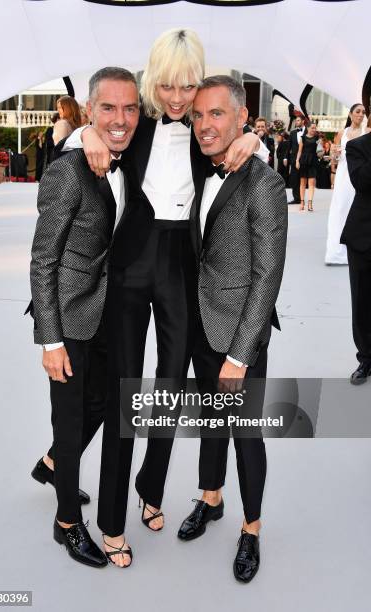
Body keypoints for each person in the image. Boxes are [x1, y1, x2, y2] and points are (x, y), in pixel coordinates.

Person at [62, 28, 269, 568]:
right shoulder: (137, 122)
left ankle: (151, 489)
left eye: (188, 87)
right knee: (129, 395)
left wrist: (258, 141)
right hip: (130, 264)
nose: (179, 99)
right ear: (155, 81)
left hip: (182, 267)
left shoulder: (206, 129)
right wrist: (84, 134)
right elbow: (92, 130)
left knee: (170, 390)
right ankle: (111, 521)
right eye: (170, 86)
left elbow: (241, 139)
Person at [177, 75, 287, 583]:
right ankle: (211, 498)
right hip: (200, 323)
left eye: (216, 114)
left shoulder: (265, 185)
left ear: (242, 118)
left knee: (245, 434)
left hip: (242, 332)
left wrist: (240, 356)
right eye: (198, 115)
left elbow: (268, 277)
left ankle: (251, 527)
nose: (204, 126)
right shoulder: (200, 165)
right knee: (210, 422)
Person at [29, 67, 140, 568]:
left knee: (100, 404)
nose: (120, 119)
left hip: (106, 311)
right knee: (71, 420)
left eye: (130, 108)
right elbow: (43, 259)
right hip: (68, 315)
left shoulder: (125, 155)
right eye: (108, 108)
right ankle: (66, 522)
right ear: (89, 110)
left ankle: (54, 464)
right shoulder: (68, 169)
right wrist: (50, 341)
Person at [341, 130, 371, 384]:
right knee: (362, 303)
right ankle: (366, 359)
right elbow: (361, 181)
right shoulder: (357, 146)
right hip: (364, 237)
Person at [325, 103, 368, 264]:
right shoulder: (341, 133)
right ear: (350, 114)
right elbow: (334, 159)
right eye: (358, 111)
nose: (361, 115)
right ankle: (336, 252)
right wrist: (335, 155)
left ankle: (357, 250)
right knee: (340, 209)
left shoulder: (367, 132)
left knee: (357, 209)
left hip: (359, 174)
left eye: (363, 112)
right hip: (343, 176)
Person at [296, 121, 320, 211]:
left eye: (315, 128)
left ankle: (310, 203)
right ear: (308, 128)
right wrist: (297, 161)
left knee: (311, 183)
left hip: (313, 161)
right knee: (302, 183)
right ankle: (302, 203)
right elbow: (299, 151)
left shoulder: (317, 137)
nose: (314, 129)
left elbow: (319, 149)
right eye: (312, 128)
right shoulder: (303, 138)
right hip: (304, 161)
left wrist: (320, 151)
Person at [287, 115, 306, 204]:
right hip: (294, 159)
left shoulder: (308, 131)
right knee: (294, 179)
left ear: (303, 121)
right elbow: (289, 146)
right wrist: (285, 157)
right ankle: (296, 198)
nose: (296, 122)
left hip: (306, 159)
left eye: (298, 120)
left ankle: (302, 198)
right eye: (296, 121)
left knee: (303, 178)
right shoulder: (293, 133)